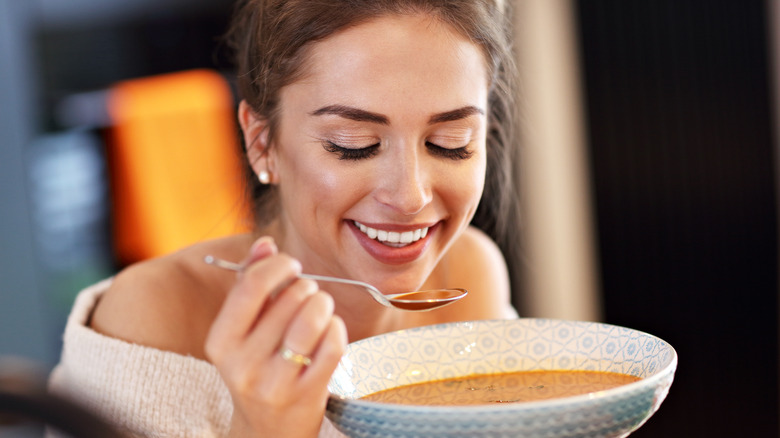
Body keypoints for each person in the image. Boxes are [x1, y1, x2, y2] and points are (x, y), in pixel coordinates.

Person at [48, 0, 521, 436]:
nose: (410, 196)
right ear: (261, 142)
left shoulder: (471, 276)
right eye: (352, 144)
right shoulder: (151, 323)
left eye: (451, 142)